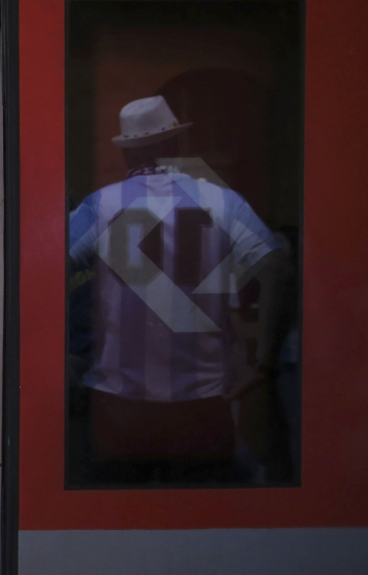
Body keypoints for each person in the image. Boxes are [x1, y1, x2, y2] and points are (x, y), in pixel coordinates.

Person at [68, 95, 289, 484]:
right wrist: (263, 363)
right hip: (202, 403)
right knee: (199, 523)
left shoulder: (101, 205)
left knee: (116, 524)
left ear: (127, 154)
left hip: (116, 403)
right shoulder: (223, 202)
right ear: (177, 145)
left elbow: (44, 268)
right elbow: (275, 265)